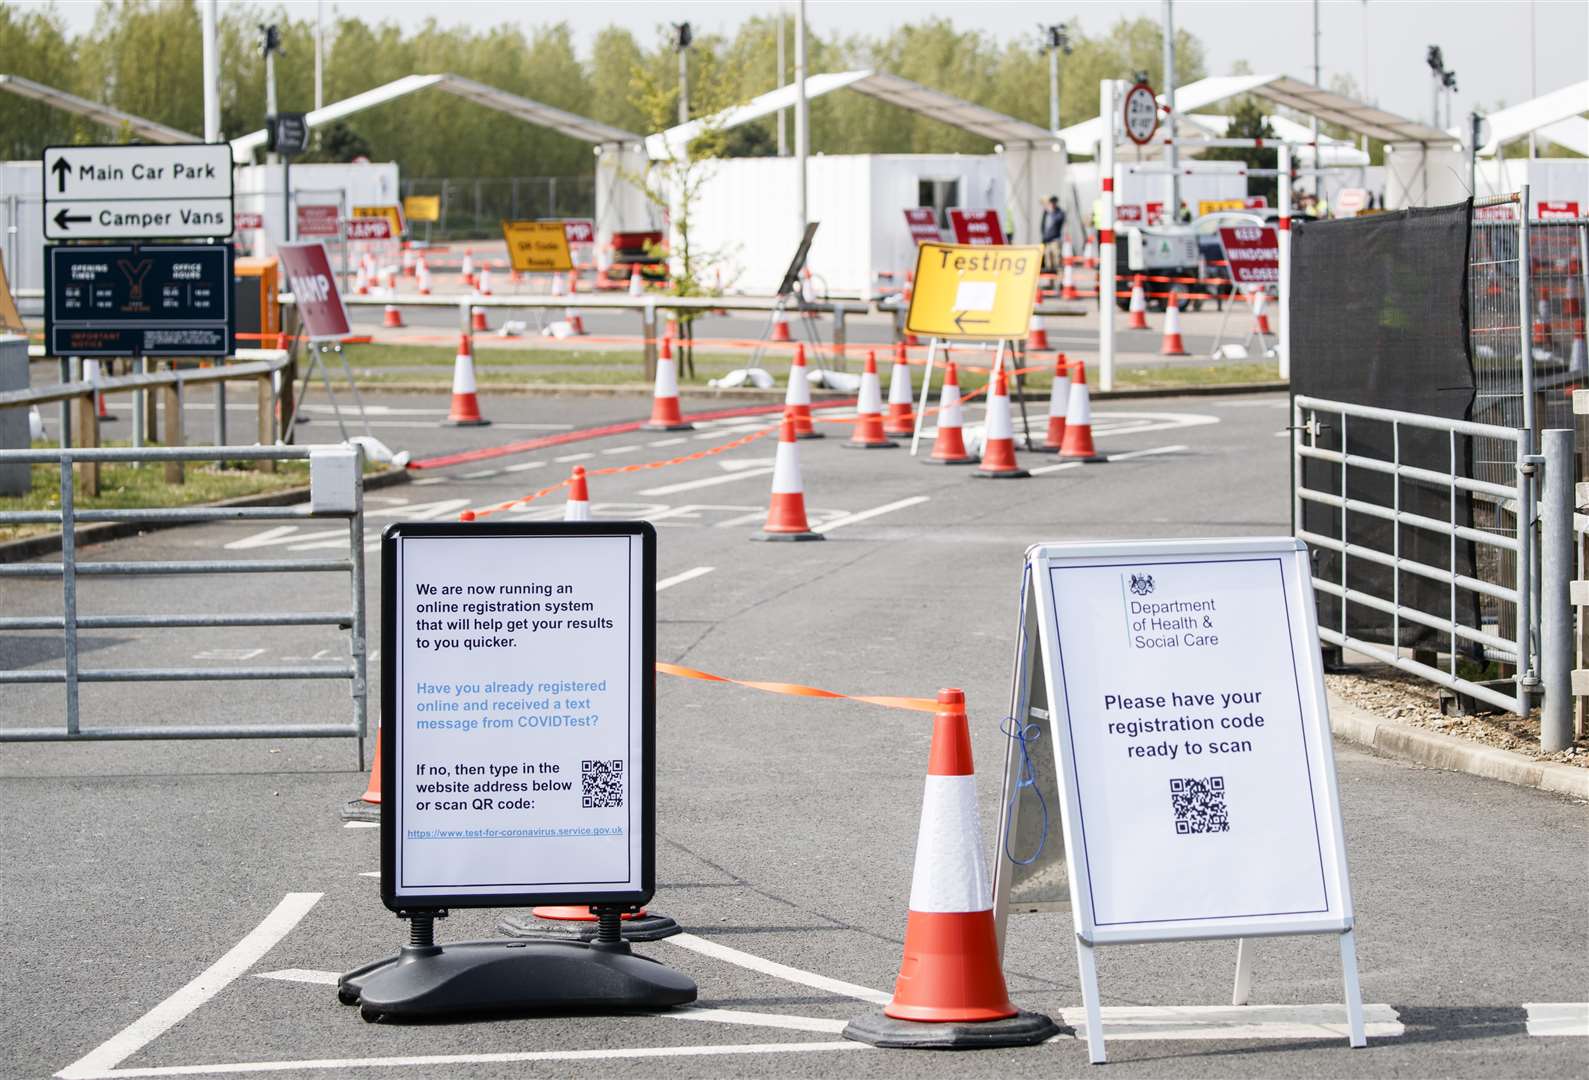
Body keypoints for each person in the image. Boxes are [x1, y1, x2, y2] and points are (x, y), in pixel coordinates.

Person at [1041, 195, 1067, 272]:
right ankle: (1050, 282)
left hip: (1055, 239)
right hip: (1047, 239)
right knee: (1048, 260)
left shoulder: (1059, 212)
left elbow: (1058, 221)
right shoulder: (1046, 212)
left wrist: (1051, 212)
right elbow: (1043, 224)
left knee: (1057, 259)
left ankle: (1058, 280)